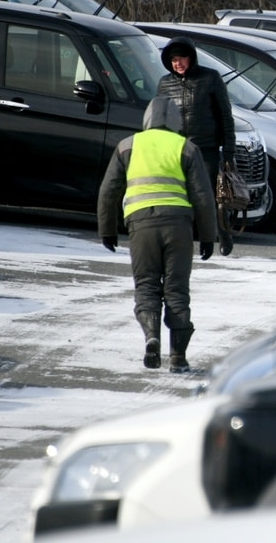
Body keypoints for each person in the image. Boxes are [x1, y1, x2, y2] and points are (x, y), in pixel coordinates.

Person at [97, 95, 217, 373]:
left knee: (147, 285)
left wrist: (107, 229)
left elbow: (108, 191)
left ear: (147, 119)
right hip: (178, 226)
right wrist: (208, 236)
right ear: (176, 121)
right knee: (176, 291)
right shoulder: (186, 148)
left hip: (140, 225)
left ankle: (151, 336)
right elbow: (203, 196)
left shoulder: (127, 146)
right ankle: (178, 357)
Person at [156, 36, 237, 255]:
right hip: (176, 149)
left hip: (205, 148)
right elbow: (159, 117)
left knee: (208, 196)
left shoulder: (210, 78)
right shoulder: (165, 83)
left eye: (182, 58)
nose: (178, 63)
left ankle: (221, 234)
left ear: (191, 58)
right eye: (173, 60)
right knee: (178, 195)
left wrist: (228, 150)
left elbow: (226, 117)